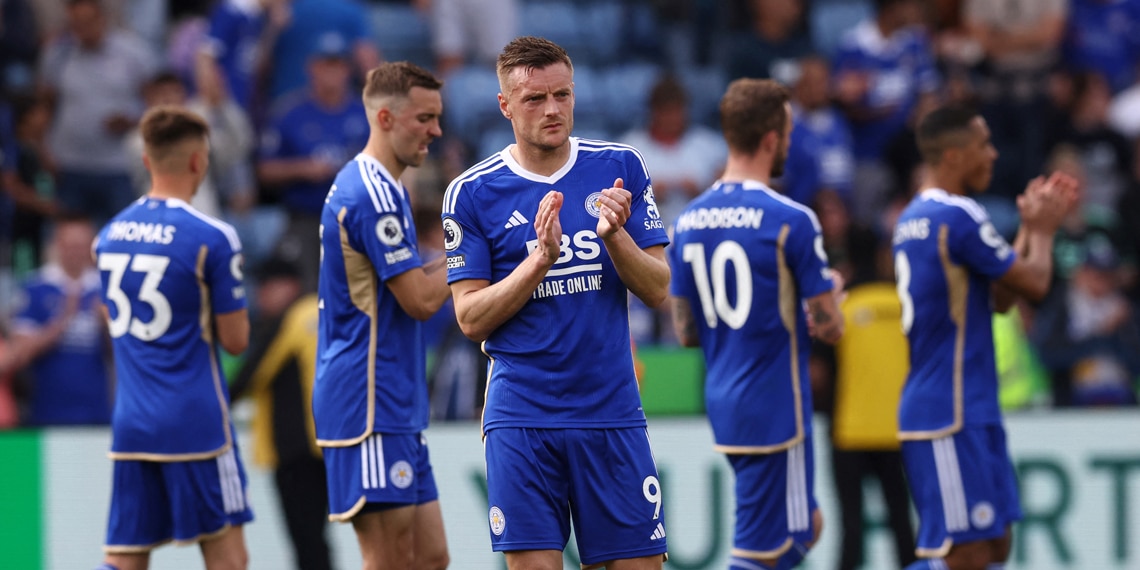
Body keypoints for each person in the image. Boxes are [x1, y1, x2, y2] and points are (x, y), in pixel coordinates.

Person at [441, 36, 671, 570]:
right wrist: (537, 261)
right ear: (504, 106)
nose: (552, 109)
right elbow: (470, 316)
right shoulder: (472, 193)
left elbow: (659, 288)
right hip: (523, 416)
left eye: (562, 95)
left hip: (610, 410)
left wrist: (615, 237)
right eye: (534, 99)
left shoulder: (620, 167)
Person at [667, 78, 844, 570]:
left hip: (724, 396)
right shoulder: (791, 219)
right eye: (787, 133)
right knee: (772, 548)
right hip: (775, 404)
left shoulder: (689, 220)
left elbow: (686, 332)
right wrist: (831, 305)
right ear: (772, 139)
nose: (789, 142)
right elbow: (831, 328)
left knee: (803, 525)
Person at [892, 104, 1077, 570]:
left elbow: (999, 297)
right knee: (967, 554)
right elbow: (1032, 284)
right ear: (953, 156)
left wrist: (1032, 231)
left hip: (967, 406)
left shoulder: (920, 213)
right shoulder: (958, 215)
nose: (993, 155)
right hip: (949, 411)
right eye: (983, 145)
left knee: (994, 545)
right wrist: (1044, 232)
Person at [91, 105, 252, 569]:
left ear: (145, 161)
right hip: (195, 423)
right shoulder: (212, 237)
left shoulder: (108, 236)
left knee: (125, 556)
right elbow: (236, 341)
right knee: (227, 557)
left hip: (132, 422)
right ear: (200, 162)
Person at [311, 61, 450, 570]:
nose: (435, 130)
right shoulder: (374, 194)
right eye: (424, 118)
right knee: (389, 560)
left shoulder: (380, 186)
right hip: (368, 402)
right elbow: (419, 299)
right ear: (386, 118)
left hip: (393, 400)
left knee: (430, 557)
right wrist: (472, 256)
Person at [231, 257, 332, 570]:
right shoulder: (323, 311)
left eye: (265, 287)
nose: (260, 297)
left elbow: (252, 374)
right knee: (319, 539)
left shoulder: (290, 317)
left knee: (306, 542)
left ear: (286, 285)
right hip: (332, 444)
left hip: (296, 451)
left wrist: (215, 404)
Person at [257, 31, 369, 291]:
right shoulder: (289, 112)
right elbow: (265, 169)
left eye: (337, 65)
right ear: (311, 68)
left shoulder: (364, 114)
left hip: (354, 219)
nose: (331, 72)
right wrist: (303, 168)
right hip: (304, 216)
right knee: (302, 290)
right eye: (325, 65)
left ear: (347, 69)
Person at [3, 214, 112, 426]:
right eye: (70, 245)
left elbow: (122, 357)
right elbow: (20, 354)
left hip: (97, 412)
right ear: (56, 245)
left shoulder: (105, 289)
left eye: (82, 245)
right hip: (47, 411)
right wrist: (61, 321)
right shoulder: (36, 288)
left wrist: (105, 326)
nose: (76, 251)